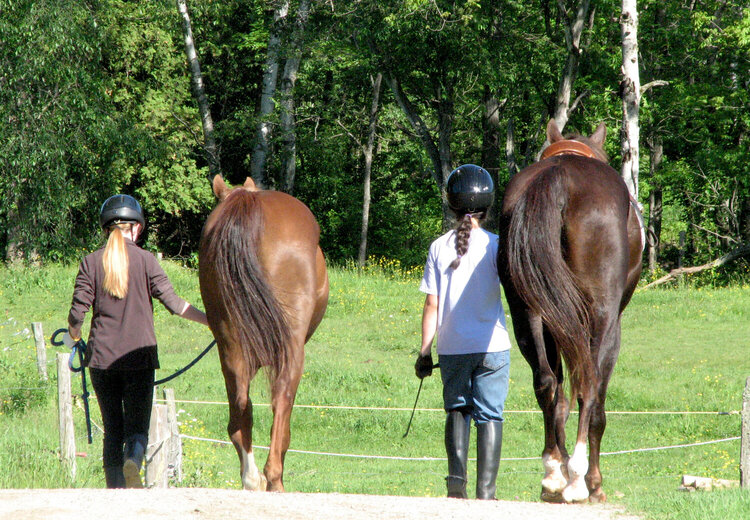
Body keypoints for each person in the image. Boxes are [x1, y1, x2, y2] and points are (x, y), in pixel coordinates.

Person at [65, 194, 209, 489]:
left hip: (101, 360)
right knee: (137, 427)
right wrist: (212, 322)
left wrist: (75, 339)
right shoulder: (147, 260)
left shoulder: (90, 262)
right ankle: (134, 460)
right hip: (139, 358)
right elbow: (175, 304)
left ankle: (115, 489)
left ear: (106, 229)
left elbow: (77, 314)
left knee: (112, 430)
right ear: (138, 228)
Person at [414, 164, 512, 500]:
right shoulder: (497, 246)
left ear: (452, 205)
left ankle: (456, 489)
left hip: (453, 347)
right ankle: (487, 493)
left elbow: (432, 306)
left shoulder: (438, 247)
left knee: (457, 408)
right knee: (490, 414)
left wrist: (425, 352)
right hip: (493, 346)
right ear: (487, 207)